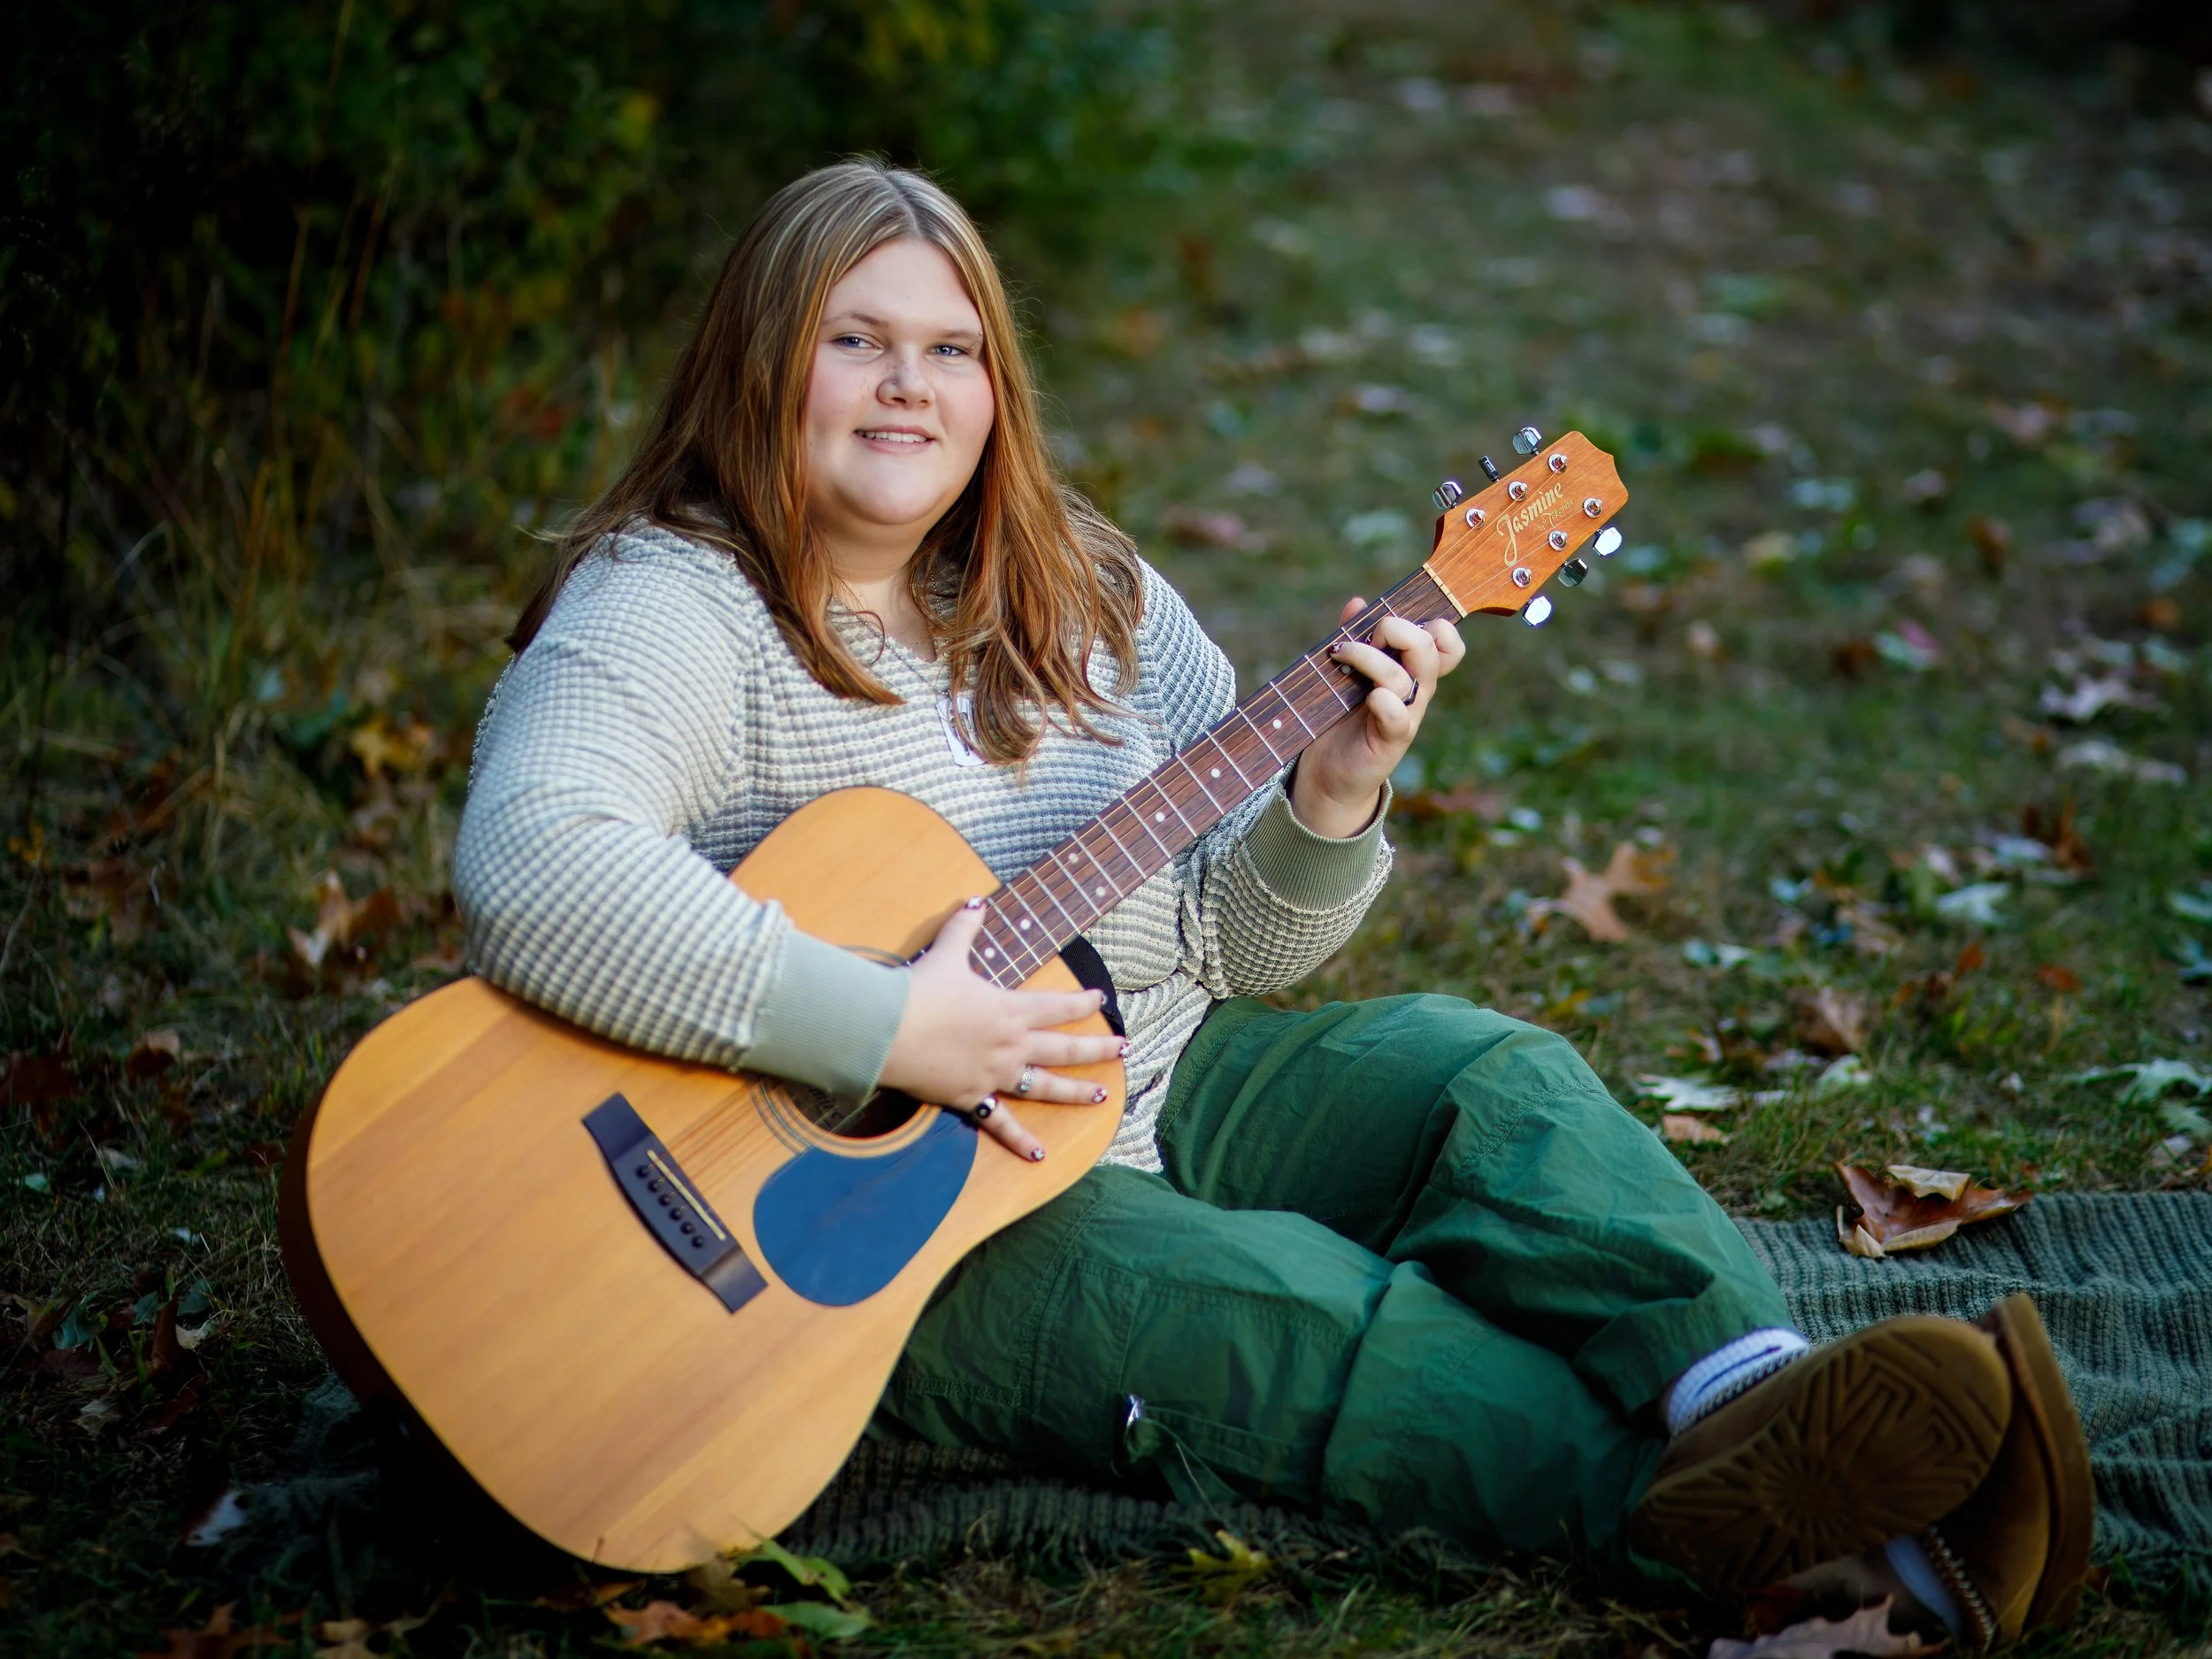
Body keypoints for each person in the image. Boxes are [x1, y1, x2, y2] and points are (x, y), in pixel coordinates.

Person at [453, 161, 2088, 1645]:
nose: (909, 387)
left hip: (1161, 1071)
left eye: (952, 350)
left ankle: (1762, 1396)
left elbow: (1244, 942)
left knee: (1487, 1074)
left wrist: (1334, 793)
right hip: (889, 1223)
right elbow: (533, 866)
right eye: (855, 340)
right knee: (1308, 1319)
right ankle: (1820, 1551)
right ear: (758, 361)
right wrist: (890, 1021)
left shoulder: (1077, 584)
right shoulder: (674, 602)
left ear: (998, 388)